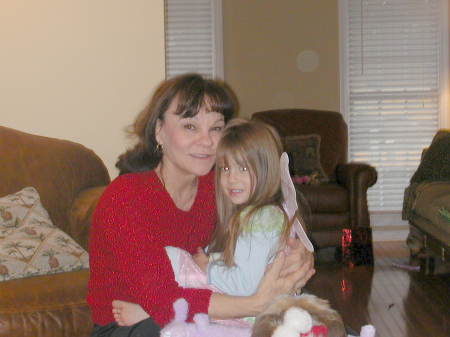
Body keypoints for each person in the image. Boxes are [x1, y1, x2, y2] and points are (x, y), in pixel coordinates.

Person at [87, 74, 315, 337]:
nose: (206, 141)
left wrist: (298, 255)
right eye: (190, 127)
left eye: (216, 128)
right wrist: (254, 304)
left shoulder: (219, 185)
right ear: (159, 130)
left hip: (203, 305)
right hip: (131, 325)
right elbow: (164, 301)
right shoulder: (126, 197)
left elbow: (269, 223)